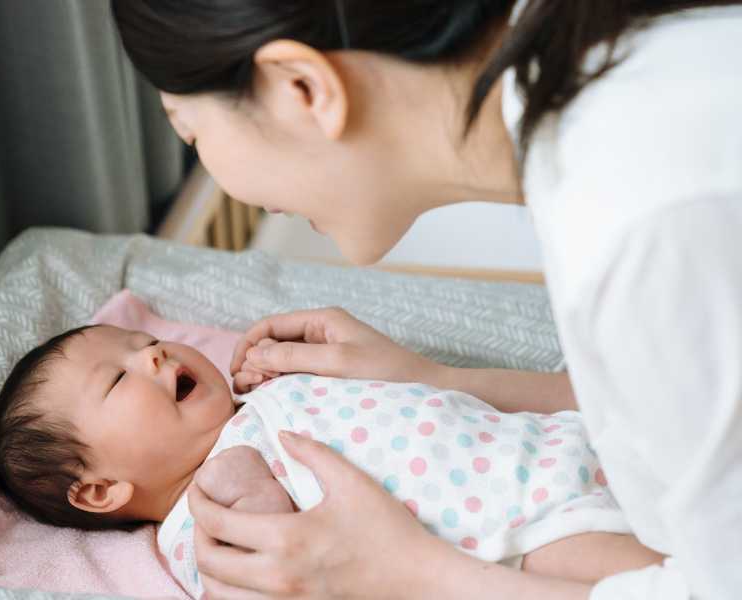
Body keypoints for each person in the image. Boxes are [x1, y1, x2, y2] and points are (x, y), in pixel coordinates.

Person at [110, 1, 742, 598]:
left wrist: (411, 572)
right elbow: (667, 396)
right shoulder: (609, 107)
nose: (221, 178)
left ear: (302, 88)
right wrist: (433, 379)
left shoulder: (639, 222)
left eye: (193, 136)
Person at [0, 324, 663, 599]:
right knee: (668, 574)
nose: (154, 355)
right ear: (101, 490)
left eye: (148, 341)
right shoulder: (200, 525)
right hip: (520, 538)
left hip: (549, 441)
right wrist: (246, 491)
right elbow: (269, 582)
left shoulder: (265, 399)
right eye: (118, 380)